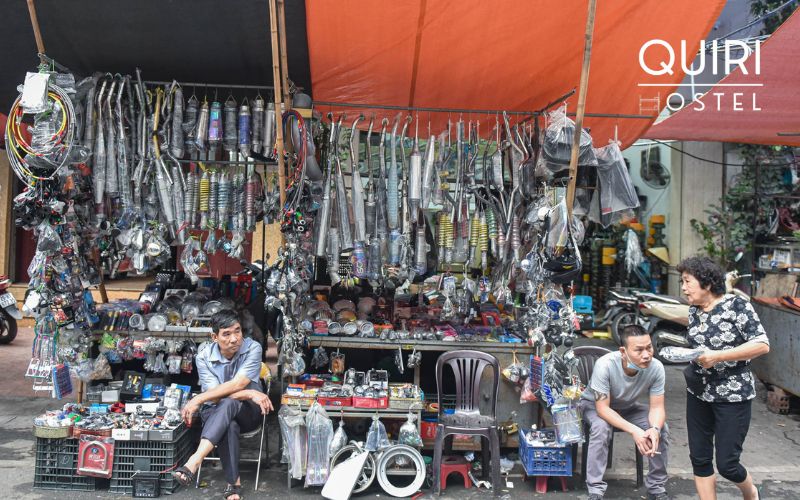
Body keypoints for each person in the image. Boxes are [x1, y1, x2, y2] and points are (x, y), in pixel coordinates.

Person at [678, 256, 770, 500]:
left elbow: (762, 344)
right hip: (698, 391)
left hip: (732, 393)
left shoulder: (736, 306)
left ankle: (751, 493)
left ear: (706, 284)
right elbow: (699, 347)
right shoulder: (694, 311)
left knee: (728, 464)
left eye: (687, 282)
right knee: (699, 457)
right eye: (682, 281)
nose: (683, 287)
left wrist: (718, 356)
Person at [171, 309, 273, 500]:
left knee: (229, 403)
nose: (234, 339)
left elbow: (237, 383)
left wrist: (198, 399)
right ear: (214, 337)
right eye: (226, 334)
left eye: (237, 331)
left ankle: (195, 460)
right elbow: (216, 398)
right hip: (217, 411)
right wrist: (251, 392)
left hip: (248, 412)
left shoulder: (253, 348)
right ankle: (233, 485)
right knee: (228, 420)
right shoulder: (203, 357)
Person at [579, 324, 670, 500]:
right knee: (601, 427)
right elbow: (603, 409)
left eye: (649, 347)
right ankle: (595, 490)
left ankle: (656, 488)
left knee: (662, 429)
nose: (646, 354)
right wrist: (634, 430)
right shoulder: (604, 365)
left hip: (628, 407)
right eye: (639, 350)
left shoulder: (656, 367)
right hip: (594, 405)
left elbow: (657, 407)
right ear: (623, 351)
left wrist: (655, 429)